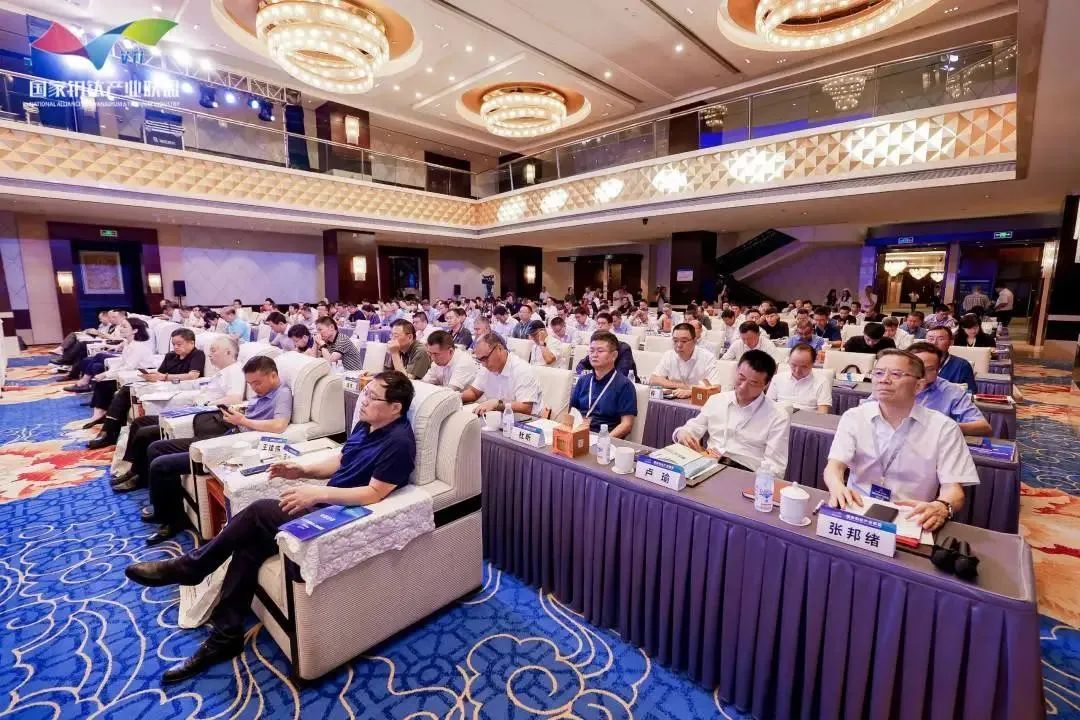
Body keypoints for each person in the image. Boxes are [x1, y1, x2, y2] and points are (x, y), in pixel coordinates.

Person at [124, 371, 416, 682]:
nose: (364, 400)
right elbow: (342, 461)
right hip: (328, 502)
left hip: (345, 514)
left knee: (260, 511)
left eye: (373, 397)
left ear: (395, 408)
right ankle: (226, 635)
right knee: (249, 546)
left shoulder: (399, 442)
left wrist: (318, 493)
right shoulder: (365, 424)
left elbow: (373, 493)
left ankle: (191, 567)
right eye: (365, 393)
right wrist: (301, 470)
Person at [141, 355, 294, 545]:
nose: (254, 388)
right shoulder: (264, 392)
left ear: (273, 376)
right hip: (228, 430)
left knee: (161, 464)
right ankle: (163, 510)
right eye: (250, 384)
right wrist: (239, 413)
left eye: (257, 383)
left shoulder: (282, 393)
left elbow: (279, 425)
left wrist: (243, 420)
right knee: (156, 448)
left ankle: (172, 521)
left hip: (236, 441)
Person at [823, 349, 979, 530]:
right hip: (857, 508)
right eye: (878, 373)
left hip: (912, 517)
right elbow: (834, 466)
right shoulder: (854, 417)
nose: (884, 380)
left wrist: (942, 506)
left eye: (896, 374)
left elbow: (953, 490)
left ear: (918, 385)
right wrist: (836, 485)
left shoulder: (944, 428)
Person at [110, 336, 246, 493]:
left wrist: (207, 403)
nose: (209, 354)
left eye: (213, 351)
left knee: (145, 433)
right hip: (195, 409)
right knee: (139, 422)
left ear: (228, 352)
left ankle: (139, 476)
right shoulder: (220, 372)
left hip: (204, 414)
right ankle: (132, 469)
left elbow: (235, 398)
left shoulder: (235, 371)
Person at [673, 350, 790, 476]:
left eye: (753, 383)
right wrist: (683, 434)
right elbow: (691, 428)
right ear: (736, 371)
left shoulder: (777, 416)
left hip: (747, 475)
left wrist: (734, 469)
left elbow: (775, 469)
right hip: (707, 468)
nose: (743, 387)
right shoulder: (716, 400)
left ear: (766, 384)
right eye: (741, 378)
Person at [86, 328, 206, 449]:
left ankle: (109, 432)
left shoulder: (197, 354)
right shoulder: (170, 356)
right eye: (173, 344)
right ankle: (109, 430)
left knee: (125, 392)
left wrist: (165, 377)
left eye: (179, 344)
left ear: (191, 343)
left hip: (177, 388)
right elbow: (159, 373)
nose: (175, 347)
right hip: (161, 385)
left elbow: (193, 376)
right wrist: (151, 376)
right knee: (126, 389)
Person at [558, 332, 637, 439]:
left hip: (604, 438)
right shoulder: (583, 380)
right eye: (591, 351)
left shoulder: (625, 385)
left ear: (614, 355)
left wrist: (603, 440)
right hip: (578, 434)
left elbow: (626, 425)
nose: (594, 355)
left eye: (600, 351)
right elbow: (572, 413)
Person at [908, 342, 992, 436]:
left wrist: (943, 427)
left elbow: (983, 427)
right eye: (916, 368)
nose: (921, 373)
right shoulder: (896, 385)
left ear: (938, 370)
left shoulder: (951, 391)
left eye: (929, 369)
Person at [63, 316, 154, 393]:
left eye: (124, 327)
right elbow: (123, 363)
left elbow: (128, 367)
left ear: (135, 330)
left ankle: (88, 386)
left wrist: (106, 374)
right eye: (121, 326)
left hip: (139, 374)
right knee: (97, 366)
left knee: (102, 369)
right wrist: (107, 373)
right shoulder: (128, 343)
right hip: (129, 371)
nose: (120, 329)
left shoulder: (138, 346)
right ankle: (95, 400)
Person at [461, 333, 542, 415]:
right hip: (498, 416)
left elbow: (526, 408)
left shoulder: (522, 369)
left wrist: (498, 404)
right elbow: (474, 392)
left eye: (485, 358)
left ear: (499, 348)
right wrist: (456, 397)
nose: (483, 364)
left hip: (528, 419)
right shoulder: (486, 367)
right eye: (480, 360)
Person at [648, 323, 721, 398]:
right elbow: (653, 379)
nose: (679, 345)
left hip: (698, 401)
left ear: (695, 341)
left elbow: (717, 388)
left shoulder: (707, 357)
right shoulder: (669, 355)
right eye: (675, 341)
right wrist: (683, 386)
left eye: (684, 341)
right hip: (674, 399)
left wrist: (691, 392)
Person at [766, 343, 831, 413]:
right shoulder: (777, 379)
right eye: (793, 365)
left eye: (804, 367)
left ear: (813, 364)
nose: (797, 371)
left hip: (807, 418)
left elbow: (822, 413)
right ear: (788, 360)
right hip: (779, 417)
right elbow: (767, 405)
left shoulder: (822, 382)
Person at [925, 326, 977, 393]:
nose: (934, 343)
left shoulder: (962, 365)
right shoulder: (917, 362)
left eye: (940, 339)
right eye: (931, 338)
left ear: (951, 342)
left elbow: (970, 392)